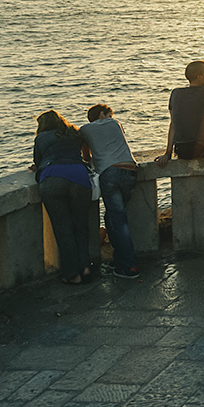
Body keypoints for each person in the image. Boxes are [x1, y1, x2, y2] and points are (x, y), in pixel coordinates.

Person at [33, 110, 96, 285]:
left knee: (63, 229)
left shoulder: (41, 138)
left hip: (53, 179)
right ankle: (85, 268)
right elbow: (86, 155)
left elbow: (38, 163)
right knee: (81, 226)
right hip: (79, 178)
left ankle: (72, 274)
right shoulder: (74, 133)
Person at [79, 104, 142, 280]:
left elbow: (86, 157)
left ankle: (130, 266)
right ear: (102, 114)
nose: (110, 116)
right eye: (109, 113)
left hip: (110, 174)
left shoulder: (84, 130)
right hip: (130, 171)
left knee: (118, 220)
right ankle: (120, 260)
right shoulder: (115, 123)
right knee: (111, 218)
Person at [157, 60, 204, 162]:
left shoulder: (176, 94)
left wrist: (168, 153)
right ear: (199, 77)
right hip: (202, 148)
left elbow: (173, 124)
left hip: (182, 150)